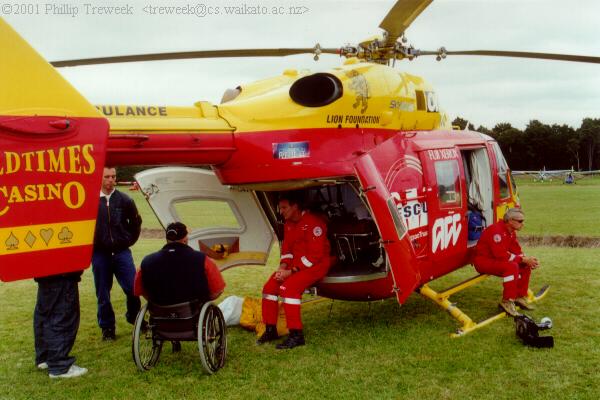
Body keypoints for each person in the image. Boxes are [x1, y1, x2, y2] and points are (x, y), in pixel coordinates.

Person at [257, 193, 332, 349]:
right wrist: (282, 267)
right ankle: (271, 329)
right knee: (269, 288)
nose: (281, 211)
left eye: (284, 207)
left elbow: (315, 256)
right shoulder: (288, 223)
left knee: (288, 289)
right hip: (295, 266)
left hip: (316, 265)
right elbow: (287, 250)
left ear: (295, 206)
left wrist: (291, 272)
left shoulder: (314, 223)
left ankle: (296, 335)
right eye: (280, 208)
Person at [92, 166, 143, 341]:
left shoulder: (125, 200)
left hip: (121, 253)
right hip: (100, 254)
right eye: (107, 177)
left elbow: (136, 224)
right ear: (99, 178)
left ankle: (135, 317)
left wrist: (127, 240)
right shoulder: (90, 200)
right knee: (103, 293)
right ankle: (107, 328)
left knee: (132, 287)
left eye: (113, 176)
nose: (111, 180)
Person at [133, 221, 225, 306]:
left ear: (167, 239)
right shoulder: (203, 259)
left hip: (160, 314)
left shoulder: (146, 261)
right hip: (193, 313)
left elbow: (140, 291)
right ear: (185, 239)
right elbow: (218, 290)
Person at [473, 208, 540, 316]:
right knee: (512, 267)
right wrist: (523, 259)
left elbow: (516, 250)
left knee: (524, 265)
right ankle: (507, 301)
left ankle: (519, 296)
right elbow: (501, 255)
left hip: (495, 260)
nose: (522, 224)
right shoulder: (496, 231)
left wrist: (527, 260)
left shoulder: (511, 232)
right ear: (510, 220)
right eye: (520, 221)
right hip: (483, 262)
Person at [34, 271, 87, 379]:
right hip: (62, 273)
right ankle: (59, 365)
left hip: (44, 273)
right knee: (63, 315)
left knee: (45, 315)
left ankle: (45, 357)